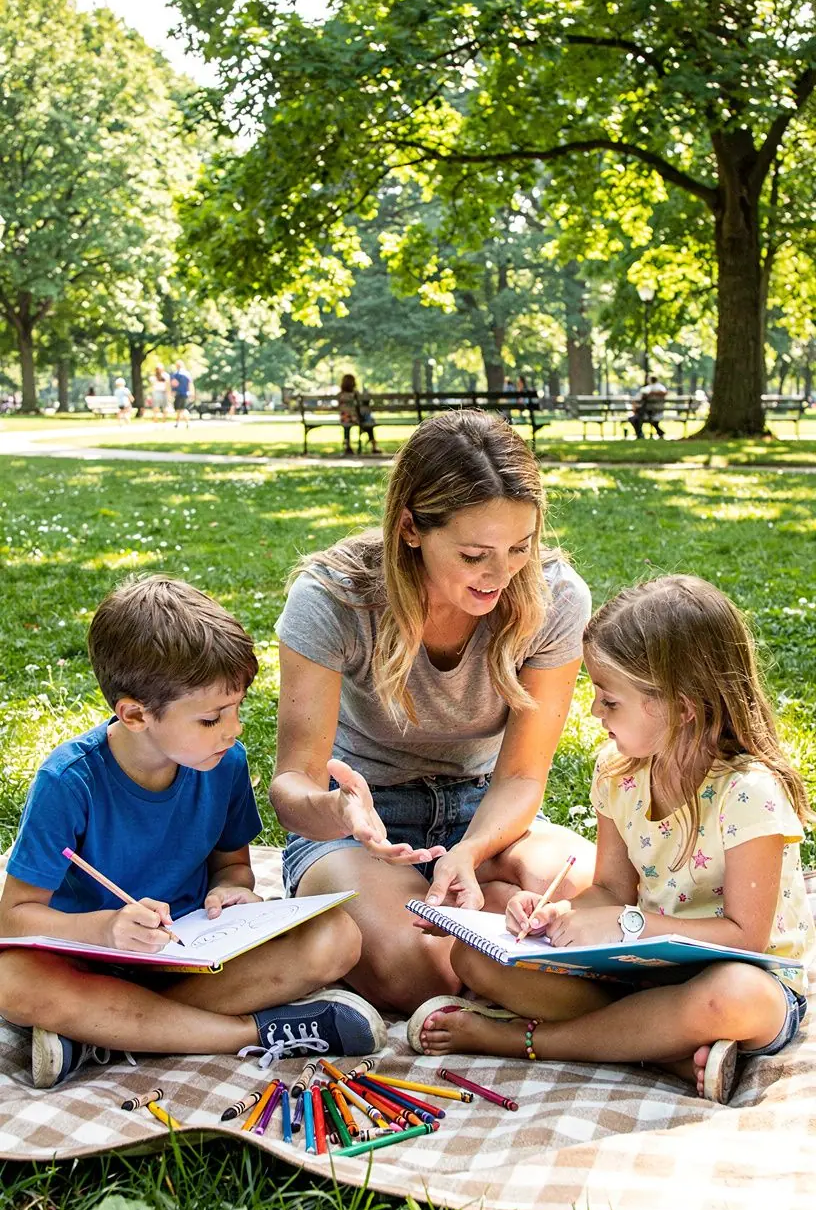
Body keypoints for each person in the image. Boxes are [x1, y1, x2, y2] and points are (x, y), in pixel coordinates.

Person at [410, 575, 815, 1104]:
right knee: (474, 959)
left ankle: (528, 1041)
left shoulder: (749, 793)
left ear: (681, 706)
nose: (596, 713)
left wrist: (631, 923)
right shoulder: (618, 773)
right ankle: (665, 1051)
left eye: (610, 700)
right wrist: (555, 915)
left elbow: (746, 937)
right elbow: (609, 891)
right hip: (644, 977)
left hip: (745, 981)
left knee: (732, 996)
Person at [0, 576, 385, 1089]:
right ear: (135, 714)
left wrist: (233, 889)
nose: (235, 729)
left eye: (237, 709)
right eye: (211, 718)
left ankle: (95, 1036)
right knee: (10, 981)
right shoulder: (68, 782)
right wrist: (107, 929)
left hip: (186, 959)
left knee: (336, 938)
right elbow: (14, 919)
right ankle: (247, 1033)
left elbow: (232, 864)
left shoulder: (223, 763)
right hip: (84, 963)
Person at [270, 409, 595, 1013]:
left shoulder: (555, 598)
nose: (501, 574)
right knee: (427, 972)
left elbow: (523, 775)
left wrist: (468, 854)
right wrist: (341, 811)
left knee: (592, 899)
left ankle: (479, 914)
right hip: (364, 828)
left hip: (486, 812)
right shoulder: (333, 598)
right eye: (475, 555)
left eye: (519, 548)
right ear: (411, 528)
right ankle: (489, 939)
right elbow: (292, 787)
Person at [170, 360, 195, 428]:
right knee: (181, 409)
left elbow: (174, 384)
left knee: (180, 409)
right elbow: (190, 384)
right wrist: (192, 393)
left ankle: (184, 423)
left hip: (179, 394)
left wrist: (172, 393)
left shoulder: (175, 374)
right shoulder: (187, 374)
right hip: (186, 394)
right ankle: (178, 423)